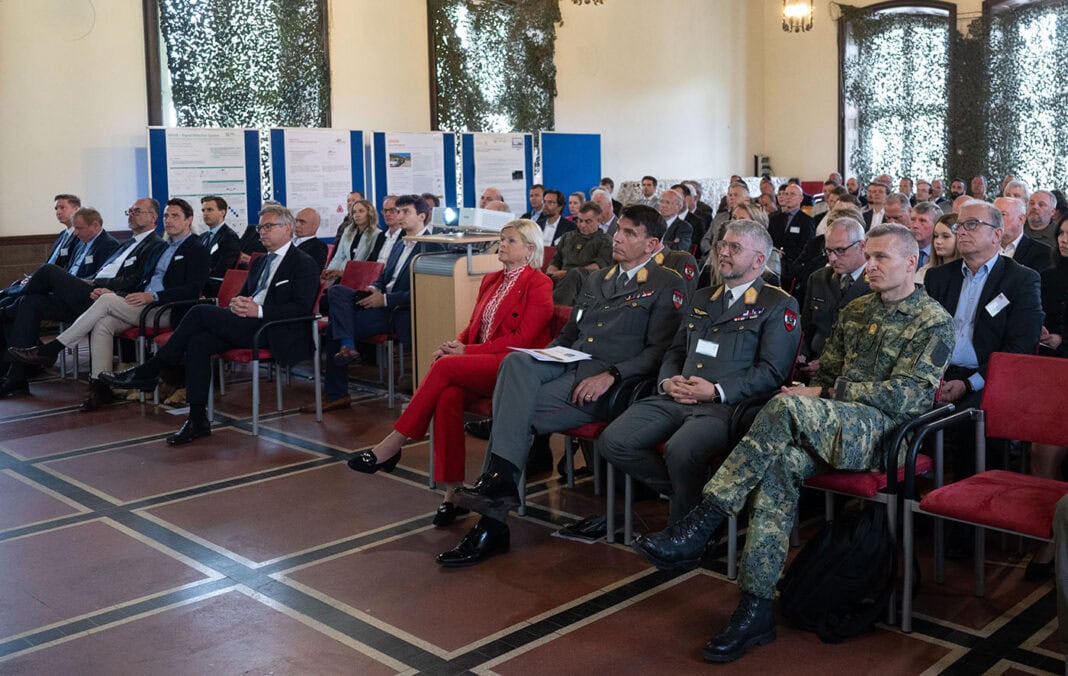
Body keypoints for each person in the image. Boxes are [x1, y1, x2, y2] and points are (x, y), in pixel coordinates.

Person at [634, 223, 954, 663]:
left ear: (911, 263)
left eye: (882, 258)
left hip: (886, 433)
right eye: (870, 256)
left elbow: (913, 396)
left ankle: (702, 522)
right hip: (833, 423)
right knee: (780, 465)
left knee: (785, 408)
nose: (872, 265)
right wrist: (820, 391)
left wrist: (826, 393)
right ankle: (755, 609)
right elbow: (825, 375)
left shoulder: (933, 321)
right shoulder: (858, 309)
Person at [437, 204, 685, 567]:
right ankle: (499, 488)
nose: (618, 237)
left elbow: (659, 351)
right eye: (619, 230)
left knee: (510, 413)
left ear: (652, 245)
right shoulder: (599, 279)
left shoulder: (667, 284)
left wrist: (612, 375)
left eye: (630, 233)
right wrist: (546, 359)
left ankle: (493, 520)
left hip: (608, 383)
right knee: (518, 360)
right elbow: (569, 334)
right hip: (569, 364)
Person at [596, 220, 800, 522]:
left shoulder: (777, 304)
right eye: (722, 245)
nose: (724, 253)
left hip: (725, 407)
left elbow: (772, 372)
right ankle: (704, 503)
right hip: (675, 396)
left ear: (759, 260)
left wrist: (717, 391)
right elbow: (677, 350)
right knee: (614, 440)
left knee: (681, 450)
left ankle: (685, 529)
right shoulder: (703, 297)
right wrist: (667, 381)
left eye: (735, 247)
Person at [353, 220, 553, 526]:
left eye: (510, 240)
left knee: (444, 366)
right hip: (483, 361)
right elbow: (475, 327)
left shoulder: (538, 283)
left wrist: (464, 353)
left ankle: (393, 444)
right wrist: (457, 343)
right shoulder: (491, 280)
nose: (502, 244)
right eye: (501, 238)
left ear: (529, 249)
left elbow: (522, 340)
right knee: (446, 397)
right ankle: (453, 494)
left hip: (513, 367)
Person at [100, 204, 320, 445]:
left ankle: (150, 370)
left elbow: (301, 308)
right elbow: (247, 294)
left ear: (287, 229)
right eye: (260, 227)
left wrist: (258, 310)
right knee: (198, 342)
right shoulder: (259, 263)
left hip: (274, 329)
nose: (262, 233)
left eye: (269, 227)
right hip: (245, 323)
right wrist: (238, 303)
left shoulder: (303, 263)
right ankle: (197, 419)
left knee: (200, 311)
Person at [925, 199, 1044, 558]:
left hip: (990, 378)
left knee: (965, 424)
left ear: (997, 234)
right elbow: (924, 335)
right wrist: (932, 377)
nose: (961, 231)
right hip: (941, 374)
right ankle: (912, 512)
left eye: (972, 224)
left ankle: (964, 531)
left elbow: (1018, 349)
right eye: (960, 225)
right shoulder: (938, 276)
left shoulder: (1021, 279)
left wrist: (969, 383)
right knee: (904, 415)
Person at [9, 198, 210, 410]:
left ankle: (53, 348)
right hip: (141, 303)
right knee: (103, 323)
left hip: (166, 308)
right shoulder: (164, 248)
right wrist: (120, 293)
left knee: (104, 300)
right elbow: (141, 280)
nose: (169, 220)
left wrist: (153, 297)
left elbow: (193, 290)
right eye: (167, 216)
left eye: (175, 216)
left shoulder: (195, 249)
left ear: (189, 220)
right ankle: (101, 386)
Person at [326, 195, 445, 369]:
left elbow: (424, 292)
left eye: (405, 212)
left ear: (422, 216)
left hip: (396, 310)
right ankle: (347, 347)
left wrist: (385, 300)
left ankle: (345, 357)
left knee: (334, 328)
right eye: (398, 211)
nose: (399, 216)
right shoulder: (399, 243)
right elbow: (385, 276)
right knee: (336, 291)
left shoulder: (433, 246)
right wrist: (373, 288)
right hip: (380, 301)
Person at [1026, 218, 1068, 580]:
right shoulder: (1049, 275)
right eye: (1063, 233)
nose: (1067, 239)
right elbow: (1041, 316)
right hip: (1055, 372)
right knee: (1043, 450)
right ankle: (1050, 535)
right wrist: (1042, 331)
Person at [797, 217, 870, 379]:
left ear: (862, 246)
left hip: (851, 374)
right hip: (812, 366)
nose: (833, 258)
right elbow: (806, 329)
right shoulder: (818, 278)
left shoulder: (875, 283)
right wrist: (801, 355)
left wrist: (830, 365)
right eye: (829, 251)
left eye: (840, 251)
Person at [545, 201, 613, 305]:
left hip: (586, 280)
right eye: (580, 220)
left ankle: (555, 310)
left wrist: (566, 274)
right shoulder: (567, 237)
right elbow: (556, 260)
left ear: (599, 220)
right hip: (560, 278)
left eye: (588, 221)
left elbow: (598, 266)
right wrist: (551, 273)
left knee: (574, 274)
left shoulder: (605, 240)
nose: (582, 225)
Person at [322, 198, 381, 284]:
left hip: (360, 278)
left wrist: (342, 274)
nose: (357, 215)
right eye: (354, 212)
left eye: (361, 211)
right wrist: (330, 271)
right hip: (341, 274)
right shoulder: (348, 231)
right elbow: (339, 256)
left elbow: (369, 265)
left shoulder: (377, 234)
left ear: (369, 214)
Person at [995, 195, 1051, 273]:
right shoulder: (982, 248)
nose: (995, 220)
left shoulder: (1042, 252)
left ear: (1021, 219)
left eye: (1003, 214)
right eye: (993, 215)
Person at [199, 196, 241, 297]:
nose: (205, 214)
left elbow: (224, 268)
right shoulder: (202, 237)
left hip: (213, 287)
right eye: (203, 210)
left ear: (222, 212)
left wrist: (198, 274)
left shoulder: (229, 237)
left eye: (210, 210)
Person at [916, 213, 960, 281]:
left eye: (946, 236)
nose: (938, 241)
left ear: (960, 238)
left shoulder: (968, 275)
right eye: (936, 236)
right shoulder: (924, 272)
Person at [657, 188, 693, 252]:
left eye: (668, 203)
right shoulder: (652, 222)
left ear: (679, 206)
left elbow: (680, 248)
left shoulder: (685, 227)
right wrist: (670, 243)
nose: (663, 206)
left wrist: (655, 244)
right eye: (661, 202)